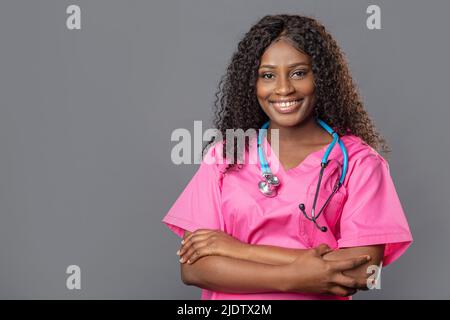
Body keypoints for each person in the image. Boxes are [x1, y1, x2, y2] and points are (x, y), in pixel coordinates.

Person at [161, 14, 413, 300]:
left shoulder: (359, 163)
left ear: (321, 76)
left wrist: (236, 249)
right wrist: (298, 275)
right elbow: (194, 269)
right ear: (251, 84)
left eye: (298, 73)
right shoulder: (227, 154)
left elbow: (361, 273)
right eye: (268, 75)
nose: (283, 89)